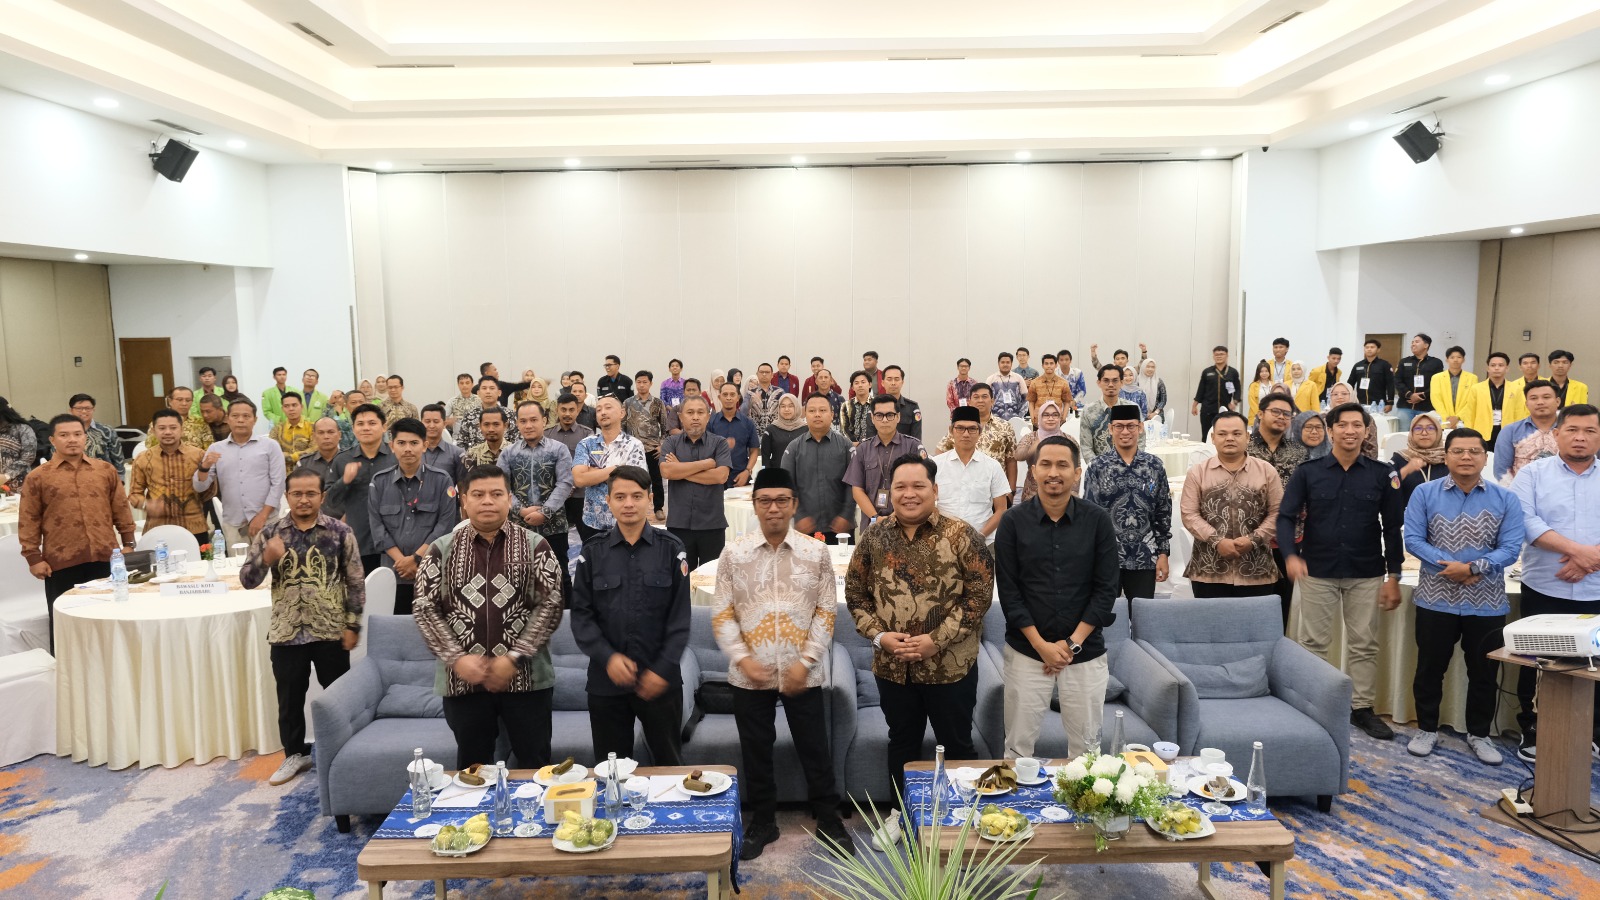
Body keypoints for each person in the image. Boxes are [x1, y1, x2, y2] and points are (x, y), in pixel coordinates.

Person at [846, 454, 993, 843]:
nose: (909, 494)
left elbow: (978, 599)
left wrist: (935, 640)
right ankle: (901, 813)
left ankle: (962, 816)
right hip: (893, 668)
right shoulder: (874, 536)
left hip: (951, 667)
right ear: (889, 492)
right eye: (900, 486)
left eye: (918, 486)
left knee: (957, 743)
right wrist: (879, 636)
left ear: (935, 490)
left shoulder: (962, 536)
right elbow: (855, 594)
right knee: (902, 741)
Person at [712, 468, 852, 859]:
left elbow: (826, 612)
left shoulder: (815, 552)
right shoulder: (734, 554)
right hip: (749, 674)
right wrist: (744, 660)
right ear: (754, 506)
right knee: (756, 750)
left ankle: (829, 818)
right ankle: (763, 821)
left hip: (801, 672)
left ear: (793, 505)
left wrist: (805, 661)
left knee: (814, 748)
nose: (773, 508)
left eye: (781, 501)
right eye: (765, 501)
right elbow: (722, 613)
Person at [414, 464, 565, 770]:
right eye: (478, 494)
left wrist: (515, 658)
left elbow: (550, 606)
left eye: (496, 494)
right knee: (473, 770)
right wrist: (456, 658)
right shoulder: (440, 550)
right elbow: (425, 609)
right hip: (462, 682)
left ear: (509, 499)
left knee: (535, 766)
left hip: (528, 680)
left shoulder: (536, 545)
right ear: (464, 500)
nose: (487, 501)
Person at [1278, 402, 1404, 741]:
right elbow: (1286, 517)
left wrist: (1394, 576)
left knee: (1364, 643)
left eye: (1357, 425)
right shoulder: (1308, 472)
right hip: (1317, 568)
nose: (1350, 431)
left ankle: (1361, 708)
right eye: (1343, 425)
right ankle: (1313, 703)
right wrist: (1290, 555)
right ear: (1331, 430)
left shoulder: (1382, 474)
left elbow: (1393, 528)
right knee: (1313, 643)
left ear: (1366, 431)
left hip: (1366, 570)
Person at [995, 434, 1118, 766]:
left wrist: (1070, 645)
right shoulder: (1012, 522)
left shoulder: (1098, 521)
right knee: (1017, 750)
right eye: (1045, 464)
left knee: (1087, 755)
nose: (1053, 473)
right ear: (1033, 471)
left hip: (1085, 652)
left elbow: (1106, 590)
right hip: (1026, 651)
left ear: (1077, 473)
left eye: (1062, 465)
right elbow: (1009, 593)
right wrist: (1042, 647)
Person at [1402, 427, 1522, 766]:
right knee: (1429, 669)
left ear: (1485, 457)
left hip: (1486, 603)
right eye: (1458, 451)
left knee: (1483, 673)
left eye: (1474, 451)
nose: (1466, 457)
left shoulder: (1506, 498)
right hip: (1435, 598)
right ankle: (1426, 729)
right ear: (1446, 456)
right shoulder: (1425, 493)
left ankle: (1479, 734)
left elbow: (1511, 547)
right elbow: (1413, 539)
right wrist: (1452, 567)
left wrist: (1472, 568)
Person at [239, 467, 366, 786]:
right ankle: (294, 754)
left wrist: (352, 625)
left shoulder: (340, 532)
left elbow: (355, 581)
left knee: (338, 697)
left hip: (330, 630)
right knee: (289, 700)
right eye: (297, 494)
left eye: (311, 493)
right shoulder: (270, 533)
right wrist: (266, 558)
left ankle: (346, 751)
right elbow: (247, 580)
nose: (304, 499)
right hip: (286, 631)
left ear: (322, 496)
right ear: (287, 496)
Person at [570, 466, 692, 764]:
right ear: (608, 501)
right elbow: (581, 617)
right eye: (620, 497)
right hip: (606, 682)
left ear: (650, 499)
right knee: (610, 770)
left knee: (669, 765)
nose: (628, 504)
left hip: (660, 681)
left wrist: (662, 669)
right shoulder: (592, 552)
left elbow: (680, 620)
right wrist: (608, 658)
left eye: (637, 496)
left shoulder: (672, 550)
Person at [1509, 403, 1600, 762]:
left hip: (1596, 588)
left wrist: (1590, 560)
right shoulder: (1533, 474)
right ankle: (1533, 727)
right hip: (1545, 585)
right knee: (1537, 660)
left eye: (1590, 431)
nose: (1580, 437)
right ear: (1557, 434)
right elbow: (1524, 520)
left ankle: (1592, 730)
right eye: (1572, 430)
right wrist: (1579, 552)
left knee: (1594, 662)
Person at [18, 414, 136, 651]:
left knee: (110, 617)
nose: (72, 439)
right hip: (61, 561)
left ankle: (111, 662)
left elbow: (121, 508)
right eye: (64, 435)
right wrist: (33, 557)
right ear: (53, 440)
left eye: (77, 434)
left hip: (106, 557)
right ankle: (66, 668)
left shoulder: (105, 470)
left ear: (85, 438)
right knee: (65, 623)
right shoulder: (38, 477)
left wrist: (129, 543)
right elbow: (29, 519)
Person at [1182, 411, 1285, 607]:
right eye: (1222, 434)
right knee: (1213, 624)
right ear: (1213, 438)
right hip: (1209, 572)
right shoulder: (1198, 473)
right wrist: (1217, 541)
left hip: (1257, 570)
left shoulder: (1266, 471)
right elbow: (1189, 514)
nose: (1229, 438)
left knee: (1254, 625)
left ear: (1248, 437)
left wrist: (1253, 540)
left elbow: (1278, 513)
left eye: (1237, 433)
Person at [368, 418, 460, 615]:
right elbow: (377, 528)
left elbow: (445, 526)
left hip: (432, 572)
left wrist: (416, 559)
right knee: (395, 627)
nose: (407, 449)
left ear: (424, 446)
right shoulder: (379, 482)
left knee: (432, 628)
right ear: (392, 446)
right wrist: (403, 562)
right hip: (393, 573)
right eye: (401, 443)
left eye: (414, 443)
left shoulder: (442, 480)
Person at [1082, 404, 1170, 600]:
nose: (1125, 432)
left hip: (1144, 556)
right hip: (1106, 556)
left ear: (1140, 427)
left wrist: (1163, 553)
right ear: (1110, 429)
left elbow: (1163, 512)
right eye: (1119, 426)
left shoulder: (1154, 466)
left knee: (1142, 613)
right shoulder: (1097, 467)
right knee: (1105, 613)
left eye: (1131, 426)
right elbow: (1088, 516)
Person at [499, 400, 576, 598]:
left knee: (559, 575)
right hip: (518, 527)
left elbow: (565, 483)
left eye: (534, 420)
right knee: (519, 576)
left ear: (544, 421)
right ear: (517, 423)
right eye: (523, 421)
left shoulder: (559, 449)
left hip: (554, 526)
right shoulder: (508, 453)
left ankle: (565, 615)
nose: (528, 425)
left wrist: (545, 512)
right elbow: (502, 488)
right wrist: (521, 510)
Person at [194, 400, 286, 548]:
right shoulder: (216, 449)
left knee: (270, 561)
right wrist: (204, 467)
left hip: (267, 521)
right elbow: (200, 486)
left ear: (255, 420)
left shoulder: (270, 446)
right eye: (235, 416)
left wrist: (262, 516)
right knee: (237, 562)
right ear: (227, 419)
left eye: (246, 416)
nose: (241, 420)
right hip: (233, 523)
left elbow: (278, 484)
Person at [1247, 393, 1306, 620]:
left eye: (1287, 414)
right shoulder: (1244, 448)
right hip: (1250, 538)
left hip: (1288, 538)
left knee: (1284, 604)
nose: (1281, 417)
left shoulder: (1298, 452)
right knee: (1252, 605)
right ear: (1260, 414)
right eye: (1276, 412)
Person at [660, 395, 733, 569]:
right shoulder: (671, 442)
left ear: (708, 416)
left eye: (700, 412)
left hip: (712, 524)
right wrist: (706, 464)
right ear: (681, 417)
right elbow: (667, 471)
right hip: (679, 524)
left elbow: (720, 476)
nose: (695, 417)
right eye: (690, 412)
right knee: (681, 577)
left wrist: (680, 469)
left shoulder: (719, 443)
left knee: (712, 576)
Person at [128, 409, 217, 544]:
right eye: (162, 428)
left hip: (194, 527)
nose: (168, 432)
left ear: (182, 430)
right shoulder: (143, 459)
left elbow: (210, 491)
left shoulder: (198, 455)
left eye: (173, 428)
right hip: (157, 527)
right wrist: (148, 505)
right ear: (153, 431)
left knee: (198, 558)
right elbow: (134, 494)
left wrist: (190, 503)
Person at [324, 403, 394, 573]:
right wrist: (344, 481)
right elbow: (330, 501)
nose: (366, 428)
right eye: (360, 424)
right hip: (358, 541)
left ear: (384, 427)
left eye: (372, 423)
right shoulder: (342, 459)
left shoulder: (396, 457)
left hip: (393, 542)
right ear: (354, 428)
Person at [572, 396, 649, 544]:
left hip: (625, 520)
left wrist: (593, 472)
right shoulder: (586, 444)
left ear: (622, 413)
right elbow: (579, 479)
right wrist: (619, 468)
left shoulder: (634, 445)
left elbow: (637, 481)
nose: (603, 412)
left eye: (608, 407)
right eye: (598, 409)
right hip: (592, 522)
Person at [931, 406, 1011, 543]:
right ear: (951, 431)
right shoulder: (935, 465)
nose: (966, 434)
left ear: (980, 432)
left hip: (984, 542)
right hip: (944, 543)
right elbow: (927, 505)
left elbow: (1001, 509)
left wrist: (980, 536)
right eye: (960, 428)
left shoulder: (992, 466)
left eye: (972, 429)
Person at [845, 394, 926, 522]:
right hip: (872, 523)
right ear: (872, 418)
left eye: (890, 415)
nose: (884, 420)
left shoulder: (913, 446)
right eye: (879, 415)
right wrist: (876, 518)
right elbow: (857, 490)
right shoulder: (862, 449)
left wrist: (897, 517)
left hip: (906, 521)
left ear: (898, 417)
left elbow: (923, 484)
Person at [933, 383, 1017, 492]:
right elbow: (940, 450)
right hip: (963, 487)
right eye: (976, 397)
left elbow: (1011, 460)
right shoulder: (960, 427)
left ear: (992, 401)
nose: (980, 400)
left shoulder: (1005, 427)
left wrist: (1011, 491)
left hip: (995, 487)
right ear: (969, 401)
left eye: (984, 397)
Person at [623, 370, 671, 520]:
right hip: (633, 449)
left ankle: (658, 508)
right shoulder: (628, 403)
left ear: (651, 383)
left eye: (645, 382)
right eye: (639, 382)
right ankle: (635, 508)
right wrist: (624, 444)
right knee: (633, 480)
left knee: (656, 480)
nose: (641, 385)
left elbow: (665, 427)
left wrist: (661, 445)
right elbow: (622, 426)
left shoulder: (658, 403)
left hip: (653, 448)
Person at [1494, 380, 1560, 483]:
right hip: (1520, 490)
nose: (1540, 402)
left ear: (1558, 401)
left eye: (1546, 397)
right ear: (1526, 404)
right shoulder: (1510, 431)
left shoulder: (1571, 431)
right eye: (1534, 398)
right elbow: (1501, 470)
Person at [1081, 365, 1144, 464]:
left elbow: (1140, 440)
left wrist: (1130, 466)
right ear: (1099, 383)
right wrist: (1100, 468)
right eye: (1106, 380)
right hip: (1100, 468)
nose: (1110, 385)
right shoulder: (1088, 411)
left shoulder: (1132, 408)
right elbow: (1086, 448)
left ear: (1121, 383)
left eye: (1115, 381)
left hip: (1129, 467)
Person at [1391, 412, 1449, 507]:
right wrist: (1406, 470)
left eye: (1430, 428)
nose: (1424, 433)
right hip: (1408, 513)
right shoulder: (1400, 457)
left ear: (1438, 432)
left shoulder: (1447, 458)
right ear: (1411, 433)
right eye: (1418, 428)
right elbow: (1386, 486)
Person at [708, 382, 760, 488]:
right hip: (716, 480)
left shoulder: (747, 423)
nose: (729, 398)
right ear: (719, 397)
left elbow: (754, 450)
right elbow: (705, 450)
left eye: (732, 394)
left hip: (741, 479)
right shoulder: (711, 422)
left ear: (738, 398)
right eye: (725, 394)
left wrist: (747, 471)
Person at [1460, 353, 1516, 450]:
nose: (1496, 368)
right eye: (1493, 365)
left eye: (1501, 365)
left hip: (1508, 432)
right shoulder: (1476, 388)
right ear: (1488, 368)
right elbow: (1470, 414)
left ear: (1507, 368)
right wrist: (1469, 435)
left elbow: (1520, 414)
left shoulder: (1516, 389)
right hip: (1482, 432)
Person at [1015, 400, 1067, 502]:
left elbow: (1076, 467)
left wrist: (1073, 494)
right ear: (1039, 418)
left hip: (1060, 493)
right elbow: (1018, 456)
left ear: (1060, 418)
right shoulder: (1031, 437)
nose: (1051, 418)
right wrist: (1037, 444)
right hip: (1033, 494)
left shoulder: (1067, 439)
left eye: (1055, 415)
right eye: (1046, 415)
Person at [1393, 334, 1445, 428]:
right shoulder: (1404, 361)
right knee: (1403, 433)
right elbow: (1397, 380)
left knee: (1424, 433)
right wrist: (1410, 395)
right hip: (1405, 406)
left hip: (1426, 407)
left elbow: (1438, 384)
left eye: (1417, 342)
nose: (1413, 344)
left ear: (1426, 345)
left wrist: (1422, 395)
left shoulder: (1436, 363)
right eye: (1412, 342)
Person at [1191, 346, 1242, 440]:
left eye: (1221, 354)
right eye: (1216, 354)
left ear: (1227, 356)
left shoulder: (1232, 372)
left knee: (1224, 435)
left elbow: (1237, 389)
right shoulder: (1207, 372)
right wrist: (1194, 405)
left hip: (1225, 410)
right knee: (1207, 436)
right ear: (1213, 356)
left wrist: (1234, 402)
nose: (1219, 356)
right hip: (1208, 410)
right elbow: (1200, 390)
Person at [67, 394, 124, 473]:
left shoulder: (107, 430)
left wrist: (120, 477)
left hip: (103, 475)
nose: (84, 411)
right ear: (71, 410)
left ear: (93, 409)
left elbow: (118, 457)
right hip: (71, 476)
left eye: (88, 408)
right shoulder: (63, 432)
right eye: (79, 408)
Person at [457, 377, 514, 452]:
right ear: (478, 393)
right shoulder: (469, 416)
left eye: (492, 388)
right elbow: (461, 443)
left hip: (505, 457)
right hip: (476, 457)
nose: (488, 392)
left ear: (499, 393)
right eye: (484, 388)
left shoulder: (510, 415)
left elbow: (516, 442)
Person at [1431, 346, 1479, 430]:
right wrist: (1447, 418)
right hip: (1444, 420)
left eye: (1459, 357)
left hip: (1464, 420)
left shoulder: (1472, 378)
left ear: (1463, 360)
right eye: (1452, 357)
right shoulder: (1436, 378)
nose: (1455, 360)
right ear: (1447, 360)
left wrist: (1458, 417)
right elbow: (1436, 399)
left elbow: (1472, 400)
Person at [420, 403, 466, 485]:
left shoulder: (456, 453)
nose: (431, 426)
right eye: (427, 421)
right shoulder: (413, 451)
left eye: (436, 421)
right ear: (421, 423)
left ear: (444, 424)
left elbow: (462, 485)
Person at [268, 392, 314, 474]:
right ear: (282, 409)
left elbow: (313, 450)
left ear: (301, 407)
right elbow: (273, 453)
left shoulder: (312, 427)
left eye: (294, 405)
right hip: (283, 474)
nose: (291, 409)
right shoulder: (277, 430)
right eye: (286, 406)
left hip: (308, 472)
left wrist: (290, 457)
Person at [760, 393, 806, 472]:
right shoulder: (771, 430)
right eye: (783, 406)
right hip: (778, 475)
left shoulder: (806, 429)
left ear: (796, 407)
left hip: (801, 475)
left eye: (790, 406)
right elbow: (765, 458)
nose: (786, 409)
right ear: (779, 408)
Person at [296, 418, 345, 493]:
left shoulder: (349, 460)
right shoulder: (304, 464)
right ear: (314, 436)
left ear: (339, 435)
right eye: (321, 433)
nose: (326, 437)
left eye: (331, 432)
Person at [742, 363, 787, 439]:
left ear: (772, 375)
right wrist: (750, 403)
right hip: (756, 435)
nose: (764, 374)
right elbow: (742, 411)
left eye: (767, 372)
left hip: (776, 433)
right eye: (761, 372)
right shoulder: (750, 393)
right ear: (757, 374)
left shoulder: (780, 392)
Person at [1349, 339, 1395, 412]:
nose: (1369, 349)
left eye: (1372, 347)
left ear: (1378, 350)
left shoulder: (1385, 365)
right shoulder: (1358, 365)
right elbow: (1350, 384)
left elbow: (1390, 384)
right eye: (1367, 347)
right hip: (1360, 403)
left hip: (1378, 404)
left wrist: (1390, 402)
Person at [880, 365, 922, 441]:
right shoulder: (875, 406)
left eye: (897, 379)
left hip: (906, 448)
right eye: (889, 379)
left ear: (902, 382)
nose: (893, 383)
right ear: (882, 383)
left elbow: (916, 440)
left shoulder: (912, 407)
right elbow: (871, 438)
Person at [1027, 354, 1071, 421]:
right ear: (1042, 366)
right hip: (1039, 420)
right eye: (1046, 363)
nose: (1049, 366)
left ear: (1056, 365)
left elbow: (1067, 402)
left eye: (1051, 363)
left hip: (1057, 420)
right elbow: (1031, 402)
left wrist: (1064, 418)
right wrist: (1033, 418)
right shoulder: (1035, 382)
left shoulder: (1063, 383)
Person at [988, 352, 1029, 422]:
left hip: (1015, 419)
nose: (1005, 364)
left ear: (1011, 364)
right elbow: (987, 399)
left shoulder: (1018, 378)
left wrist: (1020, 417)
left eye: (1008, 362)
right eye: (1002, 362)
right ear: (998, 364)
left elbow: (1026, 399)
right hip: (995, 420)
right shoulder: (991, 379)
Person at [839, 371, 878, 443]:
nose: (860, 385)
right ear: (852, 387)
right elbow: (844, 429)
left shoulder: (877, 403)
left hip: (873, 444)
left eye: (863, 382)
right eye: (856, 383)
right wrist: (854, 443)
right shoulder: (846, 405)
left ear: (870, 384)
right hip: (851, 445)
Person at [1505, 352, 1544, 422]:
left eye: (1533, 363)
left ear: (1539, 366)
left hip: (1542, 420)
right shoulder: (1512, 385)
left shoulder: (1547, 384)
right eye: (1525, 363)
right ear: (1520, 367)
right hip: (1520, 422)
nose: (1529, 365)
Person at [1135, 359, 1167, 423]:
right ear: (1143, 367)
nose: (1150, 369)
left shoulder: (1159, 382)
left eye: (1153, 367)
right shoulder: (1137, 382)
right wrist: (1144, 413)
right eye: (1148, 366)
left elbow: (1163, 400)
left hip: (1157, 414)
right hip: (1140, 414)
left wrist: (1155, 412)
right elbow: (1135, 400)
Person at [1245, 360, 1274, 428]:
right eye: (1262, 371)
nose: (1264, 373)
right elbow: (1251, 401)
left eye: (1266, 371)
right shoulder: (1253, 385)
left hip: (1271, 416)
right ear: (1258, 373)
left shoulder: (1273, 384)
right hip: (1256, 416)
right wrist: (1260, 414)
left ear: (1269, 372)